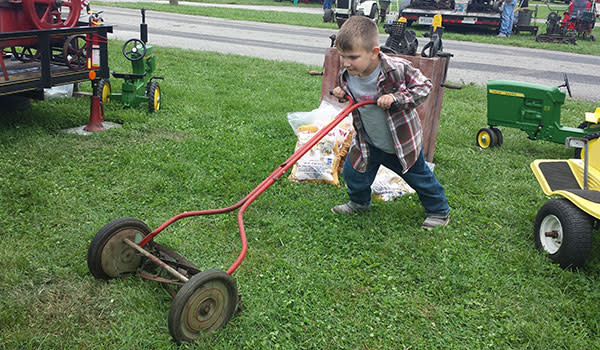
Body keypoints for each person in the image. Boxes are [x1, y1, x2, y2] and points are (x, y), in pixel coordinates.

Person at [330, 16, 450, 230]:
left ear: (374, 52)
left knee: (420, 178)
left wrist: (396, 98)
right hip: (369, 140)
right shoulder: (349, 73)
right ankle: (359, 202)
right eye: (342, 56)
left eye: (352, 57)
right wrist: (342, 94)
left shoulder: (397, 69)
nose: (346, 63)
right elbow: (352, 94)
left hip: (400, 143)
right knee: (353, 173)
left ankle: (439, 211)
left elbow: (425, 87)